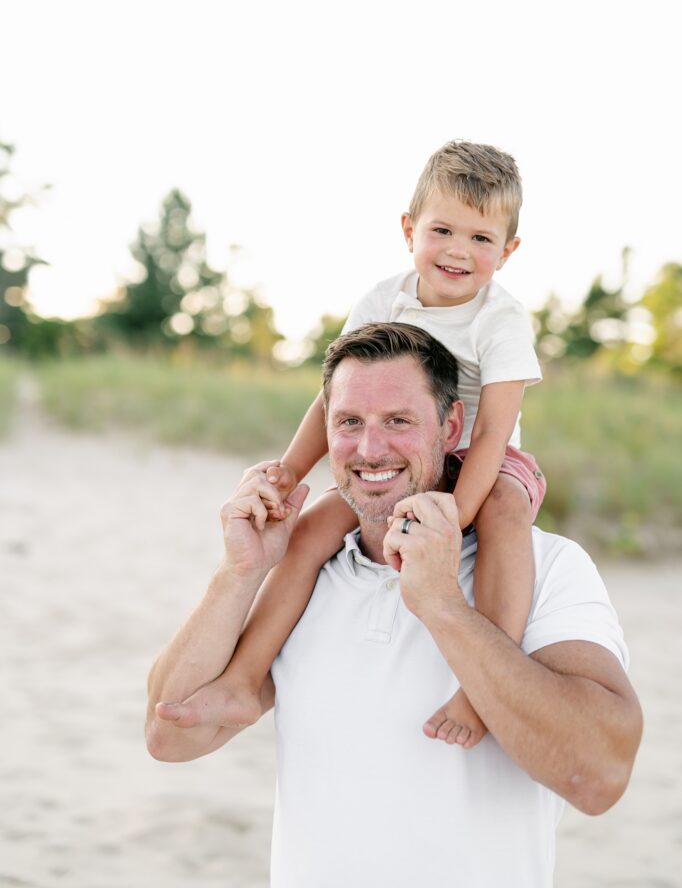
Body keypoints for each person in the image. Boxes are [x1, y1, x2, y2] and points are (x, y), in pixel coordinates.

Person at [146, 323, 642, 888]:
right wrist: (240, 573)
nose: (370, 449)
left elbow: (600, 776)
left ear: (452, 425)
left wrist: (443, 606)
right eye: (349, 423)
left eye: (399, 421)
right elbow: (170, 736)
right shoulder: (305, 572)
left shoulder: (547, 566)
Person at [173, 139, 544, 748]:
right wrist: (291, 471)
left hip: (482, 460)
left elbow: (496, 432)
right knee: (310, 531)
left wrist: (457, 516)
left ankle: (481, 688)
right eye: (442, 229)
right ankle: (243, 677)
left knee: (507, 514)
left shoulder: (500, 321)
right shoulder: (382, 300)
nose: (457, 251)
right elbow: (334, 399)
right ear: (408, 229)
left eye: (481, 239)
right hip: (398, 457)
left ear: (508, 250)